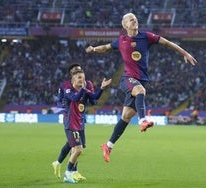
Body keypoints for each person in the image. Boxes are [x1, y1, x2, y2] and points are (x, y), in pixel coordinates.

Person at [85, 12, 197, 163]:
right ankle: (143, 120)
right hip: (127, 80)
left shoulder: (147, 37)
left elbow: (168, 43)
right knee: (140, 91)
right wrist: (93, 49)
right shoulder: (121, 40)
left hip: (141, 80)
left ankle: (108, 145)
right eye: (130, 19)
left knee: (126, 117)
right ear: (125, 25)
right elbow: (105, 47)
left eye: (135, 19)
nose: (134, 20)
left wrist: (185, 53)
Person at [52, 63, 111, 181]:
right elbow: (71, 98)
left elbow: (94, 97)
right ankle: (69, 172)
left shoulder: (87, 84)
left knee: (73, 146)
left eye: (81, 72)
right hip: (70, 120)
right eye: (76, 72)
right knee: (77, 148)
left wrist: (102, 88)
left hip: (80, 120)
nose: (80, 75)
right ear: (72, 75)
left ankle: (69, 169)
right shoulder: (67, 87)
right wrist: (63, 105)